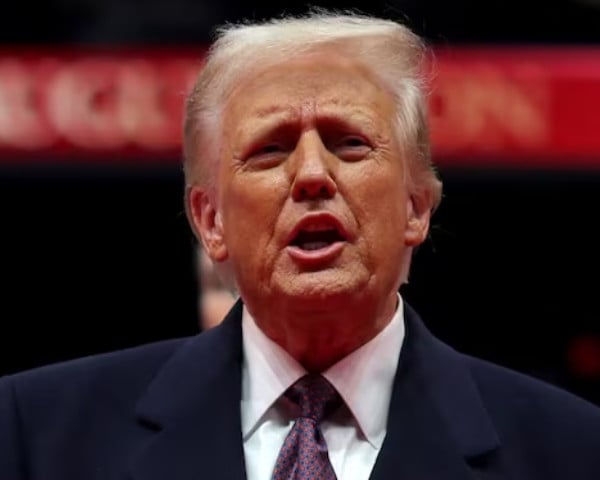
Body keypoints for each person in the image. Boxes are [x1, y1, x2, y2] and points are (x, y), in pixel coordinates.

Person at [1, 11, 600, 480]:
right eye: (270, 149)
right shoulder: (36, 431)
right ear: (210, 221)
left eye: (349, 144)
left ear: (416, 206)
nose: (312, 174)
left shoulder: (572, 449)